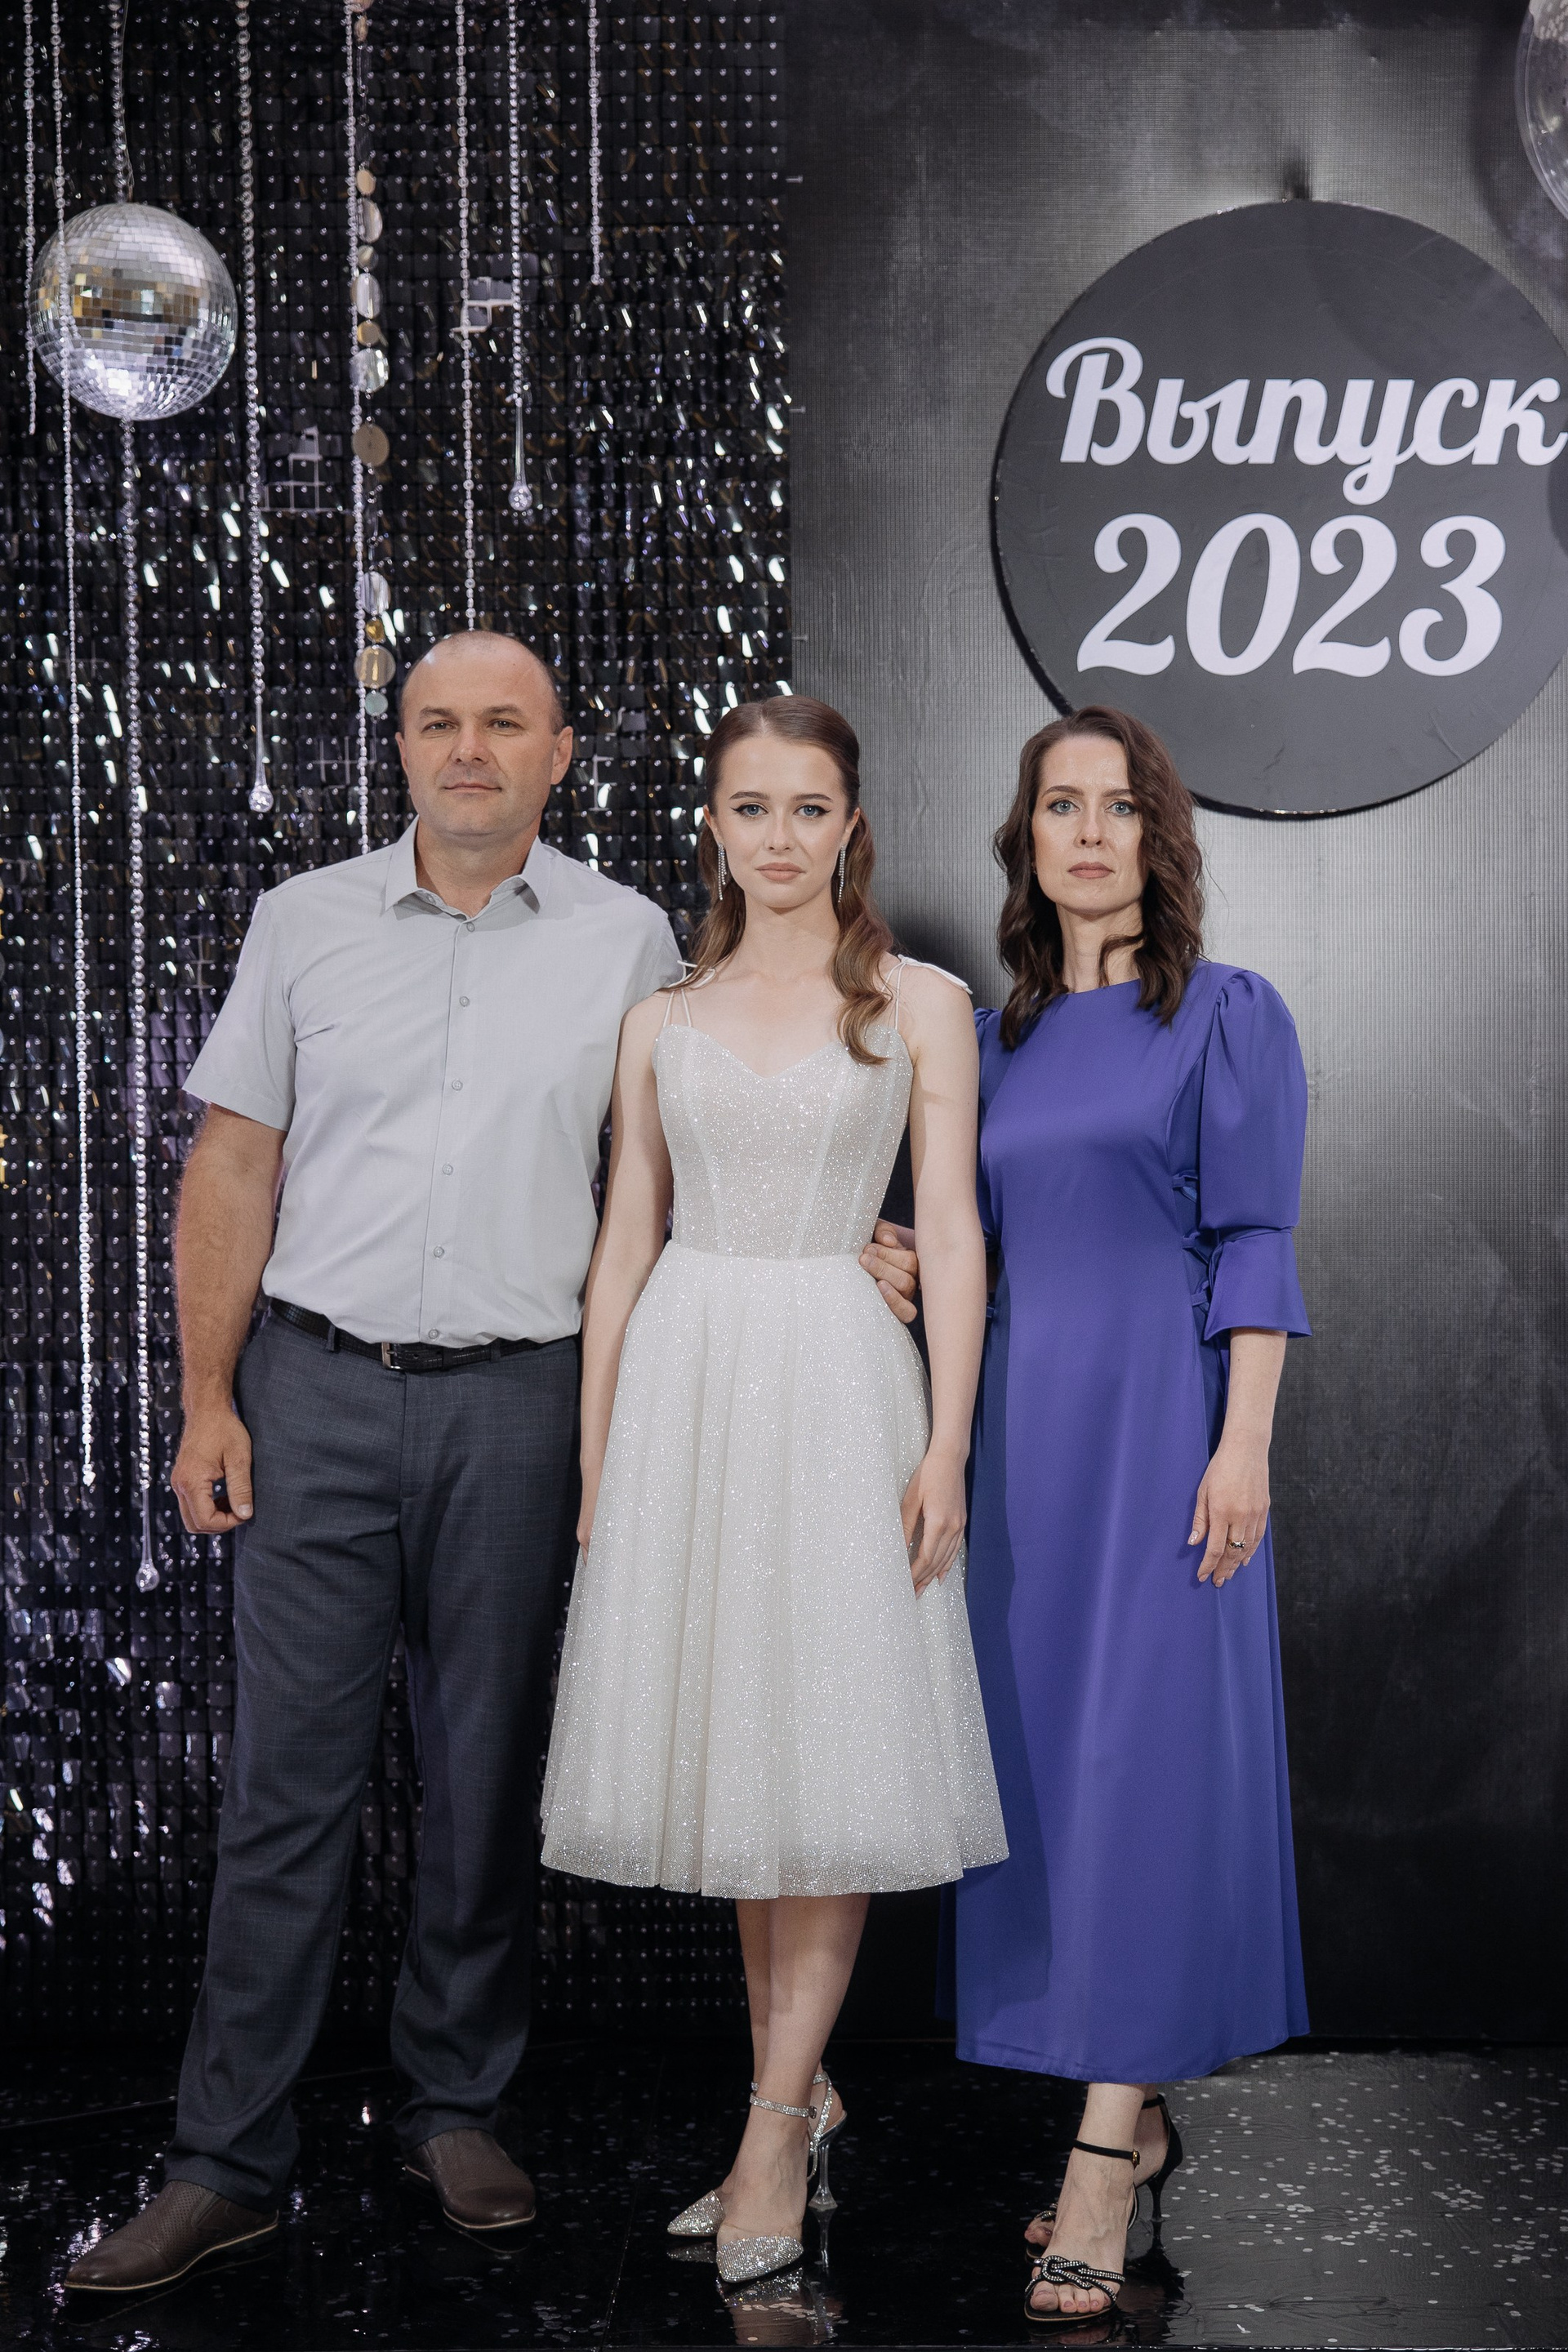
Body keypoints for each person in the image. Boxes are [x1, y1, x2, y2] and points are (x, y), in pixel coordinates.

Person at [65, 634, 920, 2294]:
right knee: (284, 1792)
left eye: (504, 723)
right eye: (438, 722)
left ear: (560, 753)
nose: (469, 748)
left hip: (523, 1402)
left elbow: (710, 1152)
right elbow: (231, 1162)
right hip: (312, 1394)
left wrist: (857, 1245)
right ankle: (226, 2159)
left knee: (483, 1778)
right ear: (399, 748)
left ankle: (456, 2105)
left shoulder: (633, 941)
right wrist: (207, 1397)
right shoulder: (303, 920)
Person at [539, 693, 1007, 2287]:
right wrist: (599, 1454)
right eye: (753, 808)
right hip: (687, 1385)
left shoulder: (921, 1003)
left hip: (839, 1379)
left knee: (831, 1754)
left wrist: (948, 1441)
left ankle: (769, 2133)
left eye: (811, 809)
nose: (782, 837)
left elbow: (952, 1231)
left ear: (851, 826)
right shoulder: (660, 1020)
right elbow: (623, 1243)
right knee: (749, 1762)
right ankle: (793, 2100)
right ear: (715, 828)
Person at [946, 706, 1311, 2325]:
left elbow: (1256, 1242)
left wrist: (1245, 1447)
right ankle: (1132, 2111)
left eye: (1118, 805)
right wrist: (903, 1263)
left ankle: (1103, 2157)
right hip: (1026, 1445)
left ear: (1159, 838)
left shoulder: (1227, 1014)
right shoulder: (992, 1044)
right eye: (1060, 805)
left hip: (1167, 1429)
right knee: (1050, 1777)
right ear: (1027, 839)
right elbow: (984, 1242)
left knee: (1143, 1775)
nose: (1088, 831)